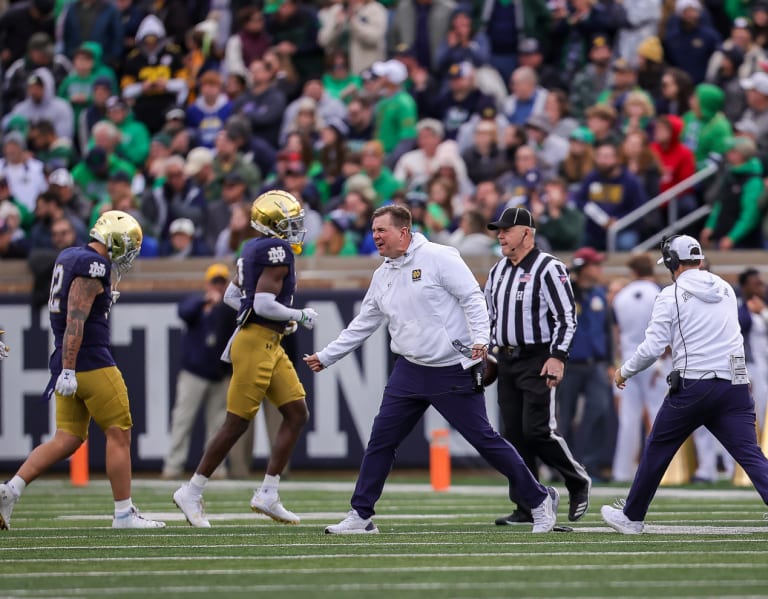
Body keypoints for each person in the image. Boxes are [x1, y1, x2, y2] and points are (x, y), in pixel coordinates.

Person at [304, 204, 558, 535]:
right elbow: (363, 323)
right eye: (373, 230)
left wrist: (481, 341)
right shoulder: (383, 274)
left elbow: (472, 298)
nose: (376, 236)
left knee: (484, 440)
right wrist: (327, 356)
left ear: (404, 232)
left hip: (450, 369)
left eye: (382, 230)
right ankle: (361, 515)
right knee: (381, 439)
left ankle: (540, 500)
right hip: (408, 370)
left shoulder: (440, 257)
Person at [0, 210, 166, 531]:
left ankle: (11, 490)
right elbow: (76, 317)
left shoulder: (69, 255)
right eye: (127, 244)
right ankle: (123, 514)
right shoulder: (95, 265)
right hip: (89, 360)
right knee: (119, 432)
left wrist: (65, 365)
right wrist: (69, 369)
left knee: (67, 438)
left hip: (67, 357)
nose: (128, 253)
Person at [602, 235, 768, 534]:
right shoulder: (726, 289)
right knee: (749, 452)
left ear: (671, 262)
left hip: (695, 385)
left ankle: (632, 516)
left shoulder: (671, 294)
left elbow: (653, 347)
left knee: (657, 447)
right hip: (734, 385)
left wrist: (624, 371)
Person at [172, 190, 316, 528]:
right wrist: (297, 313)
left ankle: (268, 492)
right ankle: (191, 491)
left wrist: (277, 318)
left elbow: (233, 296)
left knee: (296, 412)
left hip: (269, 341)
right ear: (274, 223)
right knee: (236, 422)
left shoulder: (251, 248)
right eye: (290, 222)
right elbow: (263, 302)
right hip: (254, 344)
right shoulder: (276, 250)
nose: (296, 228)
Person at [484, 207, 591, 525]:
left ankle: (577, 480)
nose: (500, 235)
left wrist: (557, 356)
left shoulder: (549, 267)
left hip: (537, 358)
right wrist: (485, 349)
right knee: (513, 434)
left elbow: (566, 317)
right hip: (505, 359)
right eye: (498, 230)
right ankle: (528, 504)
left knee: (538, 430)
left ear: (526, 233)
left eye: (506, 230)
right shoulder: (498, 270)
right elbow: (489, 315)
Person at [161, 263, 238, 479]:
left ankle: (214, 468)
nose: (218, 286)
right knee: (182, 420)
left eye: (222, 282)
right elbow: (183, 311)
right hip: (194, 373)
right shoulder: (197, 303)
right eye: (215, 282)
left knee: (218, 426)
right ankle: (173, 466)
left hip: (219, 375)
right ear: (208, 284)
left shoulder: (229, 309)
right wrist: (206, 301)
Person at [556, 247, 614, 481]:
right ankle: (565, 468)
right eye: (595, 265)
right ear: (583, 268)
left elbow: (607, 331)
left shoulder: (599, 294)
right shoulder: (566, 293)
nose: (599, 269)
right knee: (565, 418)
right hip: (569, 364)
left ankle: (590, 465)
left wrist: (610, 362)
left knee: (599, 412)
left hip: (596, 364)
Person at [610, 253, 664, 483]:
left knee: (628, 418)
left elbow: (616, 334)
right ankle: (662, 470)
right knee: (658, 415)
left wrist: (618, 361)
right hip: (655, 359)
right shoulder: (660, 294)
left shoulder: (620, 296)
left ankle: (622, 471)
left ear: (633, 272)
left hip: (629, 359)